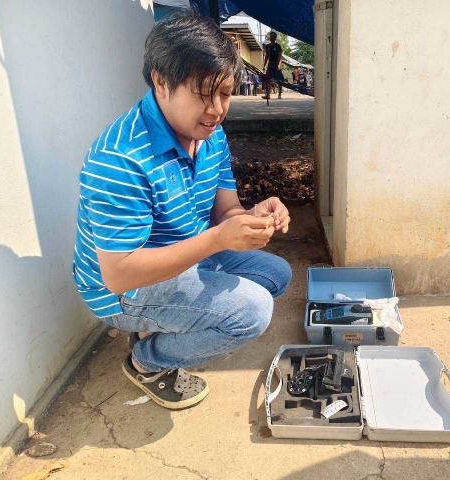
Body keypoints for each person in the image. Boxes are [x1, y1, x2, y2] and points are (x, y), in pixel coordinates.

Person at [73, 13, 292, 410]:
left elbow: (226, 210)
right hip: (124, 290)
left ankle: (161, 328)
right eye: (203, 94)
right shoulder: (121, 159)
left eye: (225, 93)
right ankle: (147, 360)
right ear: (161, 82)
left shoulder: (210, 133)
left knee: (276, 275)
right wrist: (218, 240)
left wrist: (251, 217)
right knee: (252, 311)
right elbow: (119, 275)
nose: (216, 110)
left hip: (185, 253)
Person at [262, 31, 284, 100]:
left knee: (280, 81)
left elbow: (280, 57)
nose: (271, 38)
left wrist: (279, 65)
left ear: (275, 38)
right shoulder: (268, 46)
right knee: (268, 80)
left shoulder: (278, 46)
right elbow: (266, 57)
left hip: (276, 65)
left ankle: (279, 94)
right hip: (270, 66)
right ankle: (268, 95)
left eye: (272, 36)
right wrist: (264, 65)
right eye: (270, 36)